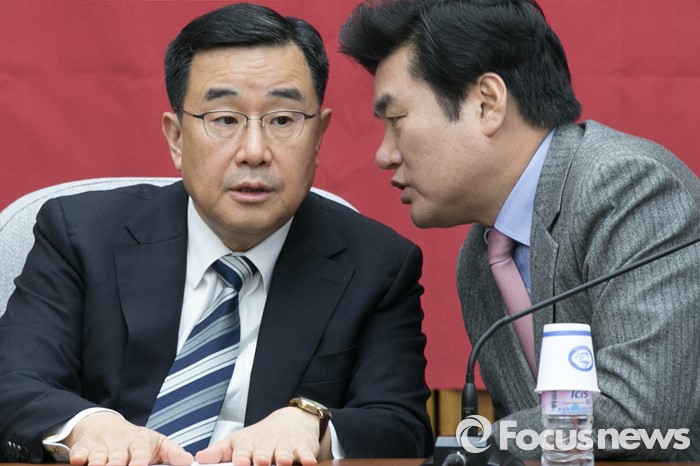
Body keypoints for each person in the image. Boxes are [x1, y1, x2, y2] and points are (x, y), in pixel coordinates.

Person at [0, 3, 433, 465]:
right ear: (176, 138)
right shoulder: (80, 235)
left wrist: (315, 424)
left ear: (318, 137)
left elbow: (401, 424)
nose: (254, 151)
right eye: (224, 119)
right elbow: (14, 383)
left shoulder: (377, 266)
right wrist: (88, 425)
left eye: (282, 120)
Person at [339, 0, 700, 461]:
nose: (384, 155)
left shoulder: (626, 187)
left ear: (487, 103)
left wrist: (481, 447)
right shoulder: (481, 258)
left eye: (396, 121)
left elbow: (640, 413)